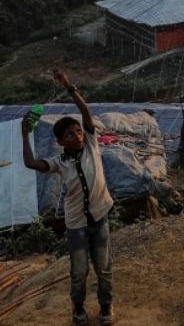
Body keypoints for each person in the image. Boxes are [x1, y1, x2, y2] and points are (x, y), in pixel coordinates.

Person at [21, 70, 117, 326]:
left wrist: (68, 86)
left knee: (103, 266)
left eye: (78, 131)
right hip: (76, 223)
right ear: (60, 142)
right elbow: (30, 163)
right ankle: (78, 307)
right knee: (79, 271)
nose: (78, 135)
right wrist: (24, 134)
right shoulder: (58, 162)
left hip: (100, 215)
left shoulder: (92, 145)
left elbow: (85, 113)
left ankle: (106, 306)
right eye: (71, 134)